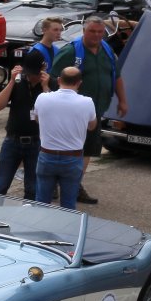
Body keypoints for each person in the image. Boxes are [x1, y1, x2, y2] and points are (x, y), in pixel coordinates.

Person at [51, 15, 127, 204]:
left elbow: (116, 76)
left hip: (95, 111)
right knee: (64, 148)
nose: (96, 35)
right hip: (71, 112)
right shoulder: (70, 52)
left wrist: (122, 101)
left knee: (88, 150)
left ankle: (74, 185)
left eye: (100, 32)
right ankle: (52, 183)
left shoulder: (107, 50)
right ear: (84, 31)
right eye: (92, 31)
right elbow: (53, 79)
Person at [33, 65, 98, 209]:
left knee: (41, 202)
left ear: (58, 80)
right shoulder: (87, 102)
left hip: (47, 155)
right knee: (68, 205)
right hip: (72, 158)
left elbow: (37, 119)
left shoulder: (42, 98)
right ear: (79, 83)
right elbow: (92, 126)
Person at [0, 49, 48, 199]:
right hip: (13, 141)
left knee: (32, 189)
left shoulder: (49, 84)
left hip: (36, 143)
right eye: (28, 73)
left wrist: (45, 87)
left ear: (43, 69)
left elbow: (52, 113)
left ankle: (28, 213)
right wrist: (11, 81)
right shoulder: (18, 82)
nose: (31, 77)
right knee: (0, 186)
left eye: (35, 73)